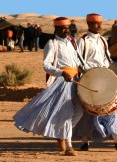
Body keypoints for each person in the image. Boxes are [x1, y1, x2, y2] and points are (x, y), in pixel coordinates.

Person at [13, 17, 84, 156]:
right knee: (67, 113)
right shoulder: (52, 44)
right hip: (62, 83)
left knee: (80, 112)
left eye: (68, 27)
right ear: (56, 29)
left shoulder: (72, 43)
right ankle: (69, 146)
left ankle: (61, 133)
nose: (67, 30)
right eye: (63, 28)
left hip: (76, 81)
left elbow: (79, 62)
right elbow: (46, 65)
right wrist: (61, 73)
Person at [74, 13, 117, 151]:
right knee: (88, 113)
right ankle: (84, 141)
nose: (99, 26)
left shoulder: (103, 41)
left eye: (100, 23)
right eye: (96, 23)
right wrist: (92, 73)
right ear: (89, 24)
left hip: (104, 80)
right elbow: (79, 62)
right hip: (89, 80)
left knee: (109, 108)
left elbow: (108, 59)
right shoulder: (83, 41)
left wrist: (116, 69)